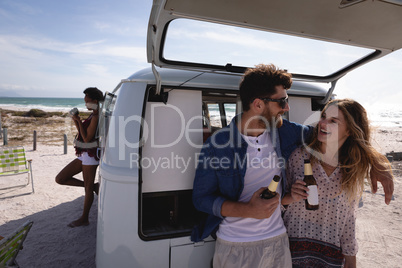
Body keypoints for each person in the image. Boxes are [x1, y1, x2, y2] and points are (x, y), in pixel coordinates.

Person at [191, 64, 394, 268]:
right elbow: (202, 199)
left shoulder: (285, 133)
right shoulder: (217, 145)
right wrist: (247, 210)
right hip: (235, 245)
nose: (287, 108)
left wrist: (377, 162)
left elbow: (340, 136)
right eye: (282, 101)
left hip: (279, 242)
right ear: (258, 105)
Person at [282, 99, 393, 268]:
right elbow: (276, 203)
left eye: (333, 121)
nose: (322, 123)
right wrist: (290, 197)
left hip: (330, 258)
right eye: (324, 117)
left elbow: (349, 218)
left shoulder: (352, 169)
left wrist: (350, 257)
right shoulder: (299, 157)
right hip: (292, 254)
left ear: (349, 130)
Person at [55, 87, 104, 228]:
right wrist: (77, 121)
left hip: (90, 154)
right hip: (84, 154)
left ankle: (84, 218)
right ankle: (94, 186)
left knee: (87, 190)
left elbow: (87, 139)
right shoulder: (93, 114)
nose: (85, 103)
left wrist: (78, 120)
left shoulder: (96, 116)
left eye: (87, 101)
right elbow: (83, 135)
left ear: (95, 101)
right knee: (60, 179)